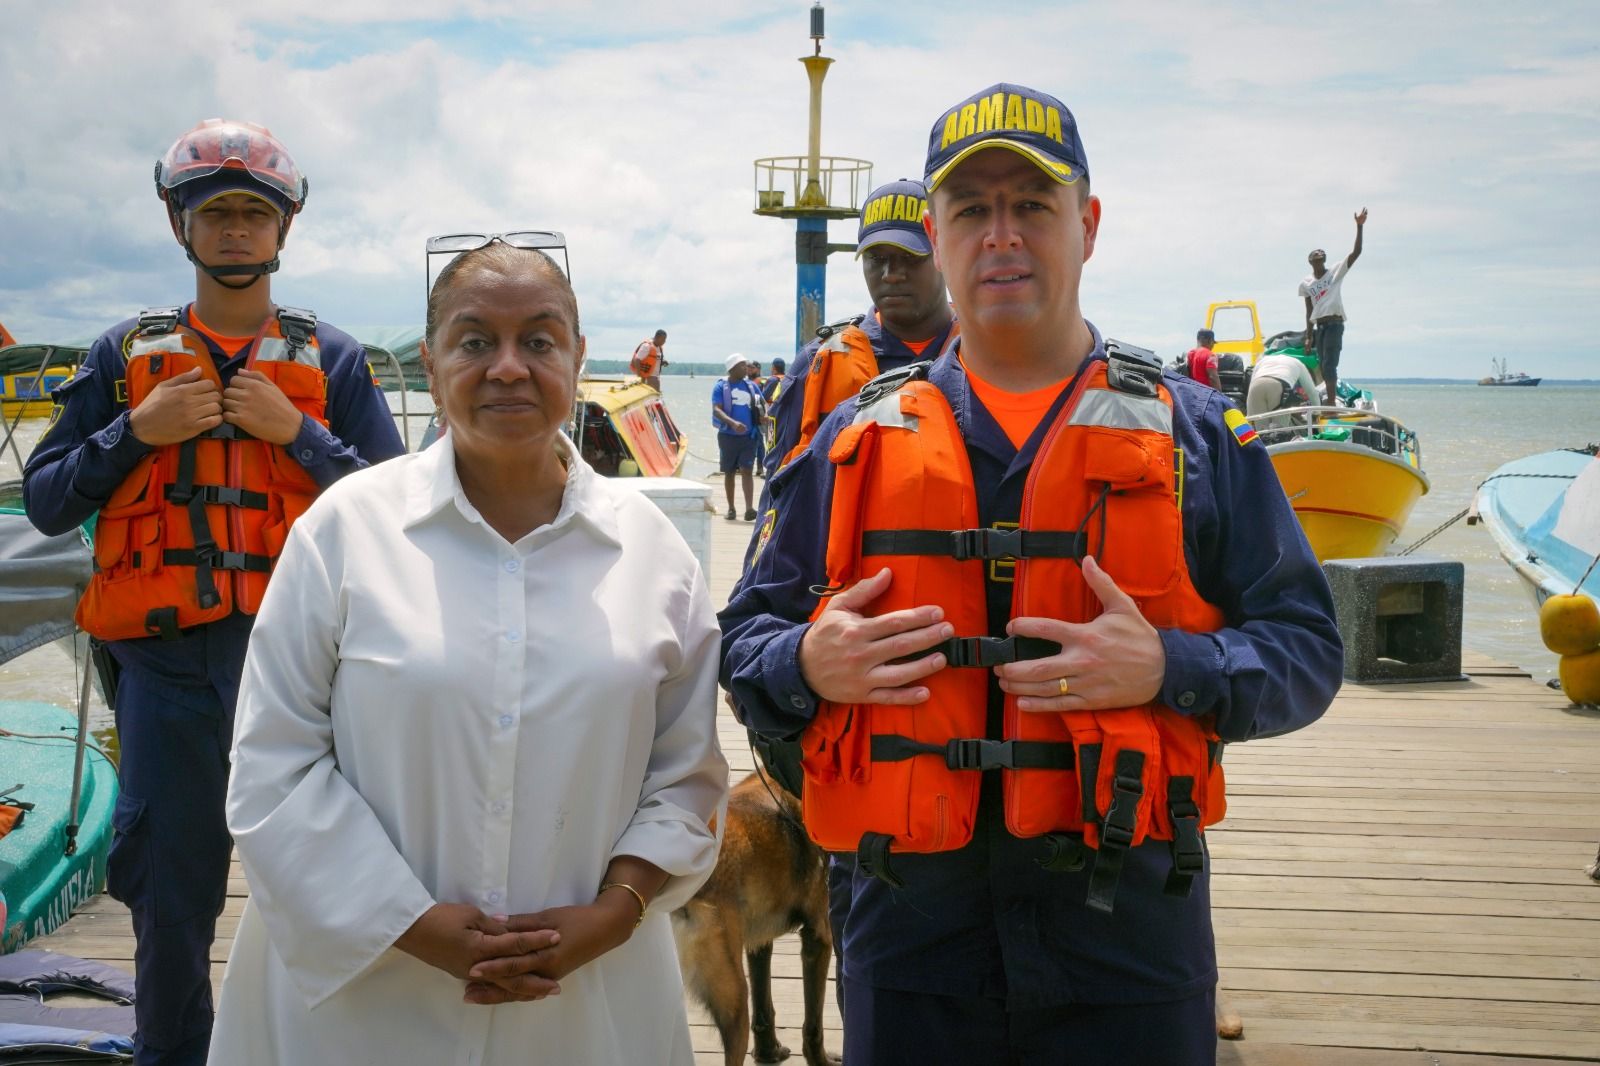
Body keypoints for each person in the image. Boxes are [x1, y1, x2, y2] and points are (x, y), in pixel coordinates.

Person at [719, 83, 1343, 1064]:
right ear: (937, 230)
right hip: (908, 942)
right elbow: (742, 641)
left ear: (1085, 226)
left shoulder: (1197, 435)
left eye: (1032, 205)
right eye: (971, 209)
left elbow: (1307, 652)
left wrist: (1172, 665)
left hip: (1130, 941)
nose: (1000, 234)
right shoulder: (850, 439)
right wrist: (808, 662)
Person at [208, 240, 728, 1064]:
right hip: (362, 995)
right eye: (476, 340)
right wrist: (410, 924)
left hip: (587, 992)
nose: (509, 367)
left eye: (540, 340)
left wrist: (619, 910)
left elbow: (687, 772)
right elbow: (273, 761)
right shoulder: (345, 531)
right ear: (432, 360)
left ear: (578, 356)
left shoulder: (653, 554)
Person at [21, 119, 405, 1066]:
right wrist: (134, 432)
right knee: (170, 895)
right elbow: (44, 500)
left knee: (326, 883)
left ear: (285, 229)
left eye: (254, 213)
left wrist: (299, 436)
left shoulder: (336, 362)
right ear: (178, 223)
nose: (236, 229)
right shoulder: (122, 357)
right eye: (215, 212)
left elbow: (401, 511)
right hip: (163, 673)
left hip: (305, 668)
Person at [767, 178, 956, 474]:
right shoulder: (816, 364)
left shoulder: (984, 356)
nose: (891, 274)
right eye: (876, 258)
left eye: (910, 257)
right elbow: (778, 491)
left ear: (943, 251)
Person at [1300, 210, 1367, 405]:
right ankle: (1328, 398)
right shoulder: (1306, 283)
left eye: (1322, 252)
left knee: (1330, 364)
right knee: (1323, 364)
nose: (1319, 253)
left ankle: (1330, 402)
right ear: (1310, 260)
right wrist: (1308, 336)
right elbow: (1308, 310)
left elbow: (1356, 253)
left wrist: (1359, 226)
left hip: (1334, 323)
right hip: (1319, 326)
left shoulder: (1335, 272)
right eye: (1315, 253)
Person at [712, 352, 760, 520]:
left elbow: (761, 406)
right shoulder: (720, 387)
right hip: (728, 436)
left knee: (747, 470)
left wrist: (765, 418)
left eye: (746, 365)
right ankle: (731, 508)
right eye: (742, 365)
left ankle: (749, 509)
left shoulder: (752, 386)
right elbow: (716, 409)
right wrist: (733, 423)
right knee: (729, 472)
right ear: (732, 369)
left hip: (749, 436)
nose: (746, 368)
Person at [1246, 350, 1322, 416]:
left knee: (1260, 429)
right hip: (1279, 385)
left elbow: (1250, 385)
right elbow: (1311, 392)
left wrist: (1249, 414)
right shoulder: (1299, 363)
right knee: (1281, 429)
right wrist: (1317, 412)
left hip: (1256, 385)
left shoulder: (1263, 360)